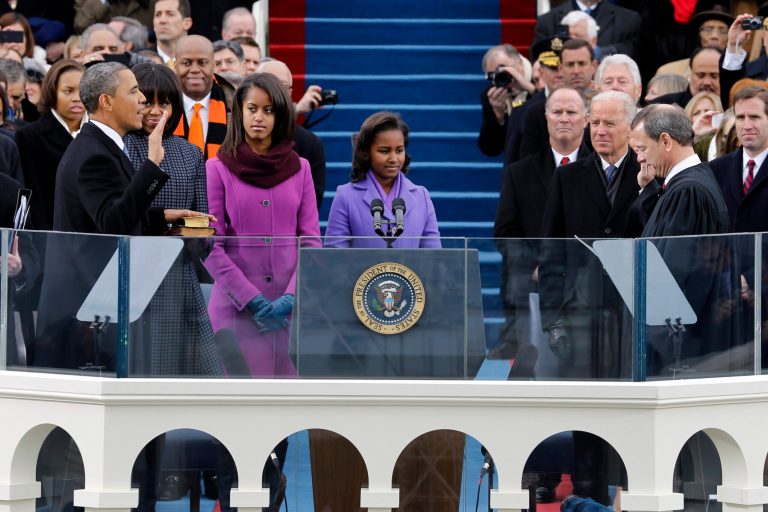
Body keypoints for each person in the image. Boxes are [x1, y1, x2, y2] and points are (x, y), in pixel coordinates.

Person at [35, 61, 210, 371]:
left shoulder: (100, 147)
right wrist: (153, 166)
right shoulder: (94, 155)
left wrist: (162, 218)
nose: (142, 100)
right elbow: (112, 225)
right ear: (107, 102)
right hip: (85, 316)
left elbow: (114, 214)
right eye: (134, 92)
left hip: (95, 312)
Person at [203, 73, 319, 511]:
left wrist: (292, 296)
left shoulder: (301, 168)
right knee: (234, 424)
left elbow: (310, 239)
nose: (259, 118)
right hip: (236, 318)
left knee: (278, 422)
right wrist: (250, 299)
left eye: (268, 110)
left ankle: (269, 502)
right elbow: (209, 246)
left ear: (280, 115)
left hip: (287, 317)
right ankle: (232, 503)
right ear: (238, 113)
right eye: (251, 108)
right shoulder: (217, 167)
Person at [124, 62, 221, 376]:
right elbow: (124, 212)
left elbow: (202, 219)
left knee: (179, 375)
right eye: (146, 101)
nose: (155, 111)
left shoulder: (190, 152)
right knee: (137, 372)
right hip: (133, 273)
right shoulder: (122, 146)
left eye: (163, 103)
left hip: (178, 275)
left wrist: (195, 237)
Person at [630, 104, 738, 376]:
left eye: (642, 149)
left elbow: (676, 274)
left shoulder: (688, 191)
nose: (640, 159)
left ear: (665, 140)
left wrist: (655, 340)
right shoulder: (686, 184)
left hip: (680, 350)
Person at [492, 87, 590, 361]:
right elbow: (505, 234)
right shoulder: (518, 174)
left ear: (586, 118)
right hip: (535, 288)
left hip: (588, 289)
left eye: (571, 112)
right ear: (546, 118)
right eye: (557, 112)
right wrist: (537, 266)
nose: (564, 118)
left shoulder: (604, 171)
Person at [325, 111, 440, 248]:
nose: (393, 159)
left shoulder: (422, 196)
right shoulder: (345, 195)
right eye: (384, 151)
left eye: (399, 150)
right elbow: (334, 257)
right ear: (366, 152)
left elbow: (434, 257)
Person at [16, 59, 85, 231]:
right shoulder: (29, 137)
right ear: (52, 92)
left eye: (83, 91)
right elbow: (35, 198)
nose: (77, 98)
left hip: (98, 240)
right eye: (68, 91)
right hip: (53, 236)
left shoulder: (99, 132)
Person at [257, 58, 327, 209]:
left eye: (282, 86)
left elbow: (312, 204)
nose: (275, 91)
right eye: (267, 84)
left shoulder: (310, 144)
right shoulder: (236, 136)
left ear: (290, 93)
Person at [173, 35, 234, 159]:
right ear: (175, 66)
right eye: (187, 63)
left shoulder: (236, 106)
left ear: (213, 65)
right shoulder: (162, 106)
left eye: (202, 63)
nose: (195, 69)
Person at [477, 43, 535, 159]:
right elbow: (490, 149)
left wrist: (531, 90)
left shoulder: (540, 76)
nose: (501, 77)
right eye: (494, 75)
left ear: (519, 63)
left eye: (504, 71)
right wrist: (498, 116)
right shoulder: (491, 94)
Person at [532, 0, 642, 58]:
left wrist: (599, 52)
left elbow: (634, 51)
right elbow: (539, 57)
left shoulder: (629, 19)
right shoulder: (547, 21)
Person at [655, 5, 734, 79]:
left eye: (723, 31)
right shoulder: (669, 72)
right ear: (699, 35)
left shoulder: (739, 71)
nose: (714, 36)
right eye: (708, 29)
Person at [652, 47, 722, 108]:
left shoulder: (731, 106)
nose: (707, 82)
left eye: (714, 76)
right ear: (691, 74)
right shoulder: (664, 106)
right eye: (700, 75)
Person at [152, 0, 192, 65]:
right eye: (158, 15)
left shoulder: (204, 59)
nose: (162, 20)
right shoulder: (137, 61)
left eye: (170, 14)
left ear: (187, 23)